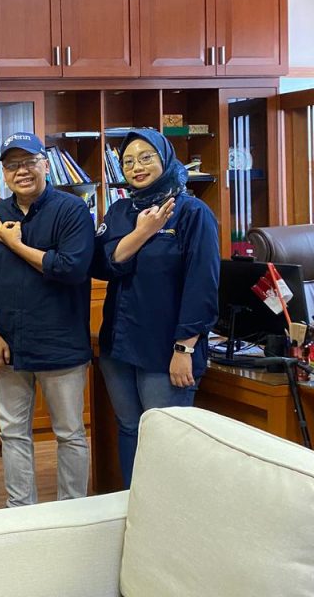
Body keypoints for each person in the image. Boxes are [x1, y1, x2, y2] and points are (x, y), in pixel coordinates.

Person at [92, 128, 219, 488]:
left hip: (165, 348)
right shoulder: (120, 210)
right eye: (128, 161)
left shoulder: (192, 213)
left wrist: (184, 348)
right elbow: (101, 264)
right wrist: (143, 232)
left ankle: (168, 514)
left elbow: (202, 285)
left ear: (164, 158)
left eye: (146, 157)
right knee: (129, 428)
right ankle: (134, 505)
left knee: (166, 439)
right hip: (119, 345)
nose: (137, 167)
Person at [0, 132, 94, 507]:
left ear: (45, 164)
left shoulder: (72, 210)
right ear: (4, 172)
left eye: (29, 162)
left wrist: (17, 245)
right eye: (12, 165)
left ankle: (72, 511)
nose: (21, 171)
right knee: (12, 433)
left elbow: (71, 268)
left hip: (61, 344)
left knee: (69, 432)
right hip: (9, 345)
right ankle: (20, 511)